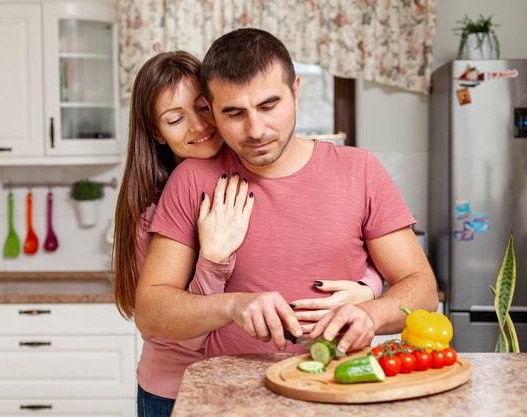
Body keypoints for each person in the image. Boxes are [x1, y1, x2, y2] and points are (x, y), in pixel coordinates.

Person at [134, 29, 439, 359]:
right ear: (211, 107)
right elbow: (152, 315)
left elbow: (422, 289)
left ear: (295, 90)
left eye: (269, 105)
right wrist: (233, 305)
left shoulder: (360, 169)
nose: (256, 130)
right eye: (234, 113)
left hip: (335, 385)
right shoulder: (192, 179)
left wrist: (371, 314)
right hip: (230, 393)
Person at [113, 51, 384, 417]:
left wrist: (368, 287)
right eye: (175, 119)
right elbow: (182, 330)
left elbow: (318, 248)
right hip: (174, 386)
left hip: (254, 380)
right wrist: (212, 261)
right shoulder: (159, 208)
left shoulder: (245, 176)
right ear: (157, 134)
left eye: (205, 109)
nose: (198, 126)